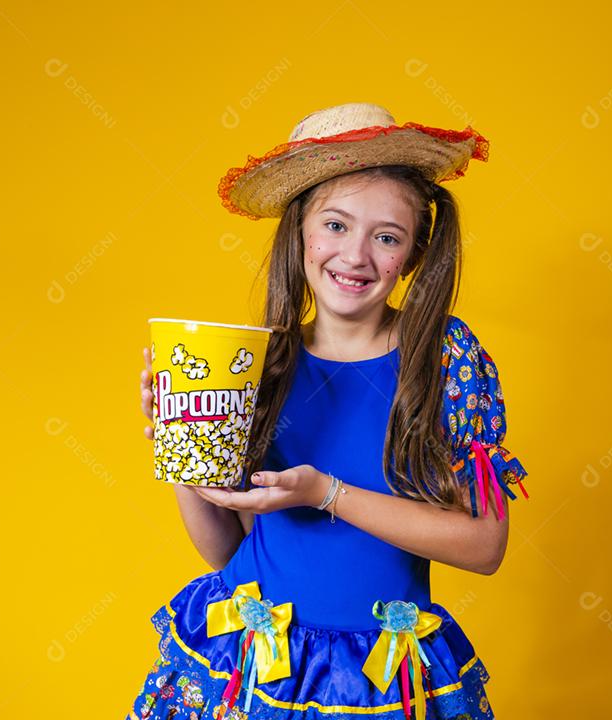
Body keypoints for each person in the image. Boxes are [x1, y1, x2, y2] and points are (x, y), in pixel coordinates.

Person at [127, 102, 530, 720]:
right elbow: (226, 553)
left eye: (386, 237)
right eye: (336, 226)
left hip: (378, 676)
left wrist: (326, 493)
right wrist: (179, 452)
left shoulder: (445, 359)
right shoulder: (256, 363)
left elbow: (485, 546)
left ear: (413, 254)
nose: (356, 255)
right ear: (300, 232)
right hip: (255, 662)